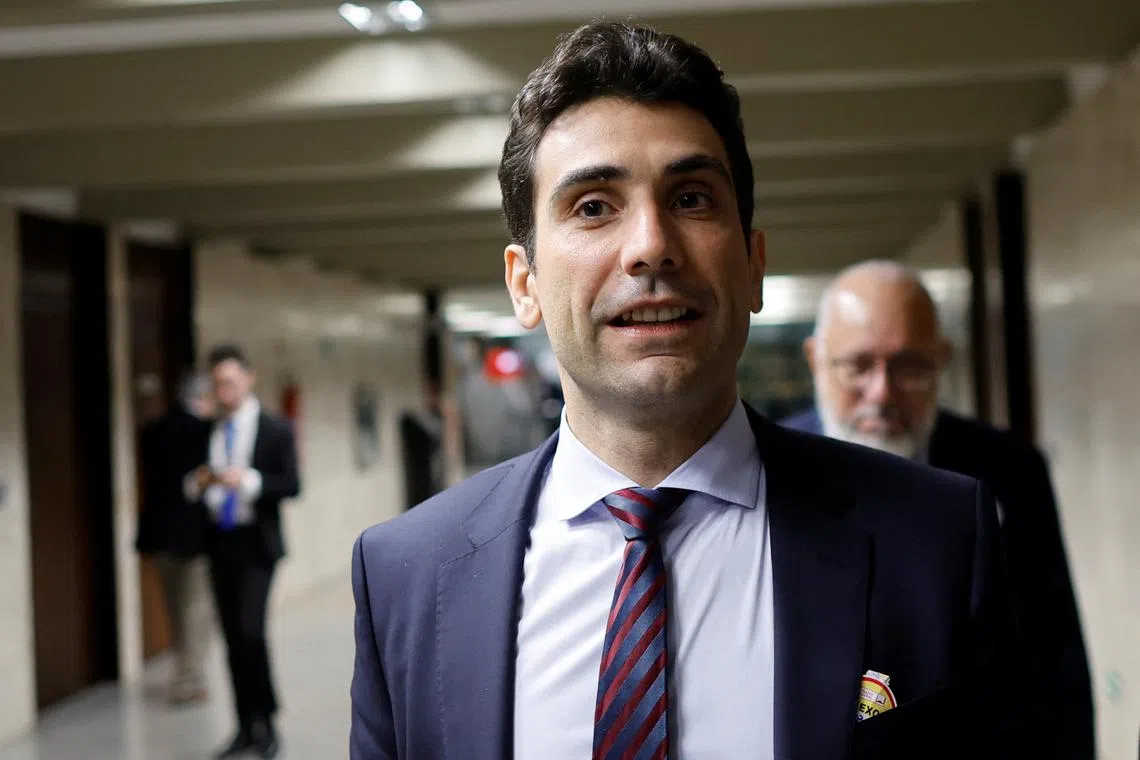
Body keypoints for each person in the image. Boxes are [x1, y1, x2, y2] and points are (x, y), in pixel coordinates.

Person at [350, 22, 1032, 759]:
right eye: (592, 206)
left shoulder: (933, 540)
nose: (650, 245)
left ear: (752, 264)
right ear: (525, 284)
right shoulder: (409, 577)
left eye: (693, 198)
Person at [783, 259, 1095, 759]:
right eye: (858, 365)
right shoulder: (772, 469)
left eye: (908, 366)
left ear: (941, 359)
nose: (881, 393)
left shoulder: (1009, 469)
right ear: (816, 358)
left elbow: (1055, 649)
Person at [185, 345, 300, 759]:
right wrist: (201, 483)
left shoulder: (274, 429)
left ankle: (267, 723)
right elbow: (188, 482)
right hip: (221, 541)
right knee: (232, 638)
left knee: (251, 632)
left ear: (249, 379)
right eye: (218, 384)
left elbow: (291, 484)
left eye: (231, 382)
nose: (225, 391)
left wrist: (248, 481)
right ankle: (243, 726)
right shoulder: (206, 430)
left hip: (257, 543)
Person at [134, 372, 214, 705]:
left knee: (174, 608)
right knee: (195, 609)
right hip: (194, 537)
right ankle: (188, 680)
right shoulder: (207, 433)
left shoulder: (152, 431)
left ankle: (184, 671)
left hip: (157, 535)